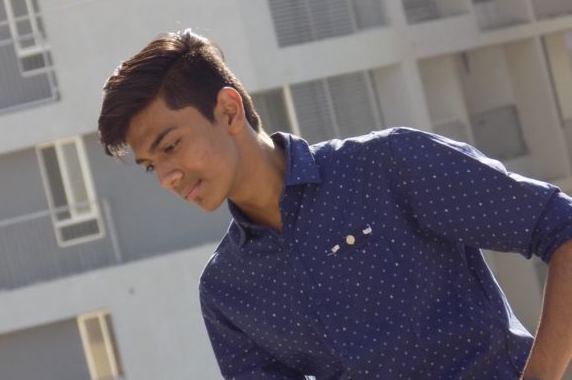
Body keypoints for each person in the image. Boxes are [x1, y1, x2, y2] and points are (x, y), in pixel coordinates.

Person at [97, 29, 572, 379]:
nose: (167, 177)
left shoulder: (386, 165)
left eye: (170, 146)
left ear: (228, 110)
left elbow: (563, 229)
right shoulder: (226, 292)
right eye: (151, 166)